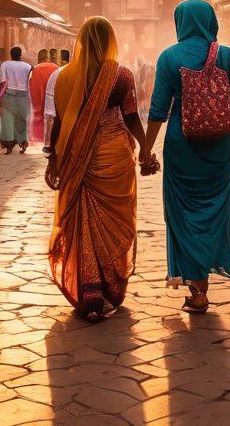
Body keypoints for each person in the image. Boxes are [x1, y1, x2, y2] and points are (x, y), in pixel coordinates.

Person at [143, 0, 230, 314]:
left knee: (181, 213)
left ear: (181, 22)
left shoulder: (169, 57)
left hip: (182, 146)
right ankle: (202, 280)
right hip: (220, 147)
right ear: (210, 21)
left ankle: (196, 288)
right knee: (214, 212)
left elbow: (158, 111)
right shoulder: (228, 56)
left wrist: (147, 148)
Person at [44, 17, 153, 320]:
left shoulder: (64, 76)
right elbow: (131, 117)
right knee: (116, 223)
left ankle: (89, 292)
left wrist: (53, 157)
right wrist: (145, 149)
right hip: (113, 155)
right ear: (110, 41)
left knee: (82, 222)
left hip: (78, 157)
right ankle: (109, 287)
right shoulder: (121, 76)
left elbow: (60, 122)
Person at [0, 46, 33, 153]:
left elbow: (1, 81)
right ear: (20, 54)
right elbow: (30, 82)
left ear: (11, 54)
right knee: (21, 120)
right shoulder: (27, 66)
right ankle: (23, 144)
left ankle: (9, 146)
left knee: (7, 119)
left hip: (8, 95)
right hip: (23, 95)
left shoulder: (5, 65)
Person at [43, 47, 70, 153]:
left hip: (59, 108)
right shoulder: (78, 71)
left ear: (60, 59)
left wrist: (50, 112)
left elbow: (49, 94)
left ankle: (53, 146)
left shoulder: (57, 72)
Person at [28, 49, 58, 146]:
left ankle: (38, 136)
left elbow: (32, 86)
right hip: (53, 97)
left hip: (40, 96)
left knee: (39, 113)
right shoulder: (55, 67)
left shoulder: (36, 68)